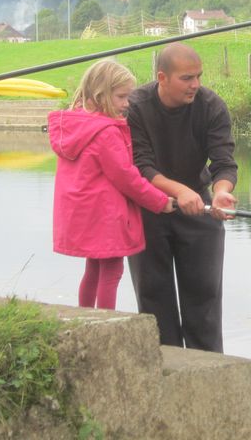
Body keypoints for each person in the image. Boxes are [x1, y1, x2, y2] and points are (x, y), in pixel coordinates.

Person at [127, 43, 237, 353]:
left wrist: (222, 193)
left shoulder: (211, 105)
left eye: (199, 76)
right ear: (162, 77)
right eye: (187, 78)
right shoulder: (136, 107)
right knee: (153, 300)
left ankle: (209, 372)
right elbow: (141, 166)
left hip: (199, 207)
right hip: (148, 208)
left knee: (204, 301)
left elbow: (224, 163)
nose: (195, 85)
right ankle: (164, 371)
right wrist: (178, 191)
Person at [48, 59, 175, 310]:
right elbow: (127, 178)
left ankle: (84, 317)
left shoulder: (77, 125)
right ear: (100, 95)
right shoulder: (106, 133)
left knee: (93, 268)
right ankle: (106, 322)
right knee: (112, 271)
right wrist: (160, 201)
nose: (127, 103)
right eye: (121, 97)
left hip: (83, 214)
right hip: (104, 215)